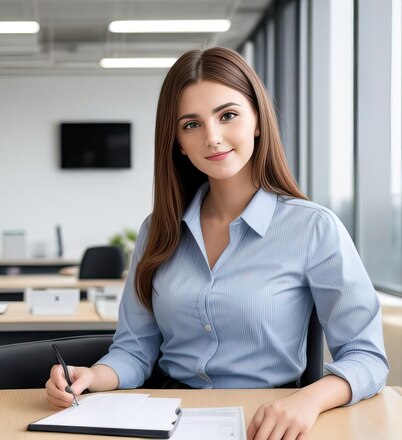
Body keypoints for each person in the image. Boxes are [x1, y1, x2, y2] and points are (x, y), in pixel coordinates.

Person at [45, 47, 389, 440]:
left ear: (257, 121)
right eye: (191, 125)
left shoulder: (313, 229)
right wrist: (94, 375)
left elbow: (367, 357)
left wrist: (310, 399)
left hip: (264, 422)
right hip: (165, 419)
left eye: (228, 115)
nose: (212, 137)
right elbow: (135, 350)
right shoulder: (157, 230)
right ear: (177, 141)